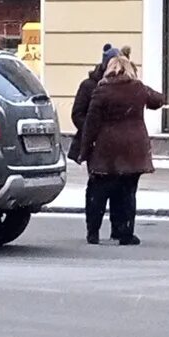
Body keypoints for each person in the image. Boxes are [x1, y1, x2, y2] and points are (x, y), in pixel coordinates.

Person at [78, 55, 165, 246]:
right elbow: (158, 100)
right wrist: (140, 87)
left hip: (107, 149)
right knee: (127, 193)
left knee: (97, 192)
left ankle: (93, 233)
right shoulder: (138, 88)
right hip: (134, 149)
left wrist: (84, 150)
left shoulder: (102, 90)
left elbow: (91, 124)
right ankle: (124, 233)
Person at [70, 45, 119, 241]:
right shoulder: (89, 86)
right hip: (95, 145)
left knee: (119, 188)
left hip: (117, 145)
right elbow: (77, 115)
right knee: (98, 187)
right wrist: (95, 130)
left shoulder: (123, 85)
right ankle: (93, 230)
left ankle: (118, 228)